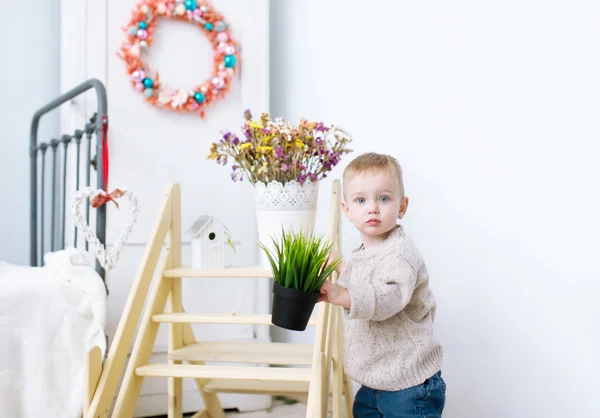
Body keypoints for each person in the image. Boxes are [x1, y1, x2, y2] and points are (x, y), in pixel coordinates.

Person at [319, 152, 446, 417]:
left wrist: (342, 295)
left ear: (402, 206)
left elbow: (387, 297)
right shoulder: (363, 253)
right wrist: (340, 268)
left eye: (384, 198)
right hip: (373, 381)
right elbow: (363, 277)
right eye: (361, 200)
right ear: (347, 210)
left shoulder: (401, 253)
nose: (373, 208)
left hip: (408, 384)